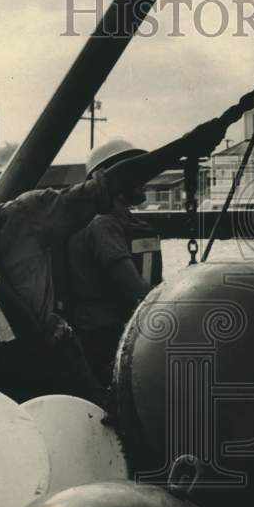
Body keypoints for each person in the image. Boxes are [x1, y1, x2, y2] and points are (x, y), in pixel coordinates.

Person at [0, 118, 225, 405]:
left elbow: (107, 184)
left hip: (39, 367)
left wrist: (183, 147)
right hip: (22, 374)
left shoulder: (20, 219)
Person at [65, 138, 162, 386]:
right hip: (104, 337)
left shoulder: (123, 222)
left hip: (120, 329)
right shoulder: (102, 223)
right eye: (134, 171)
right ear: (111, 178)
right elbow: (135, 289)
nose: (142, 178)